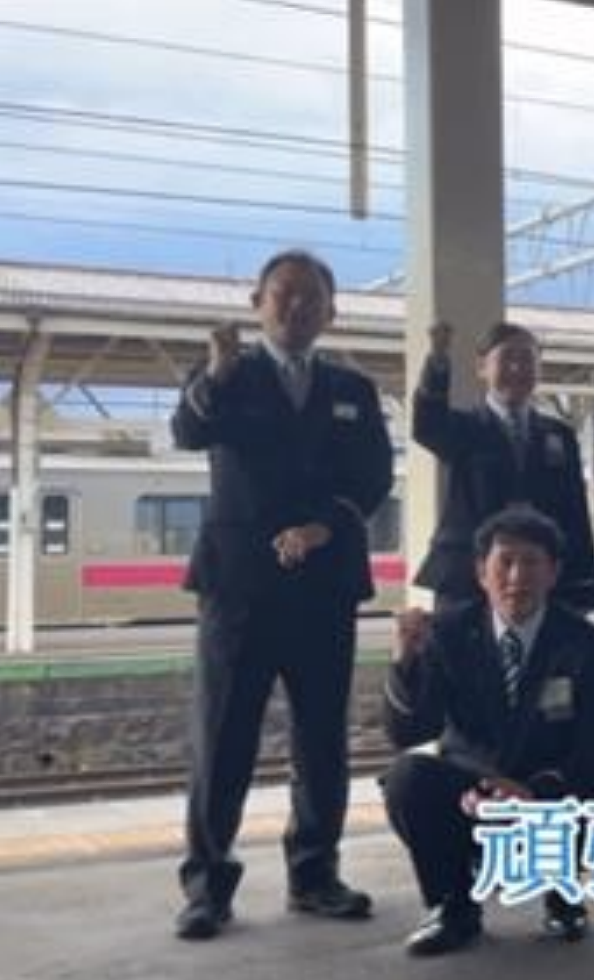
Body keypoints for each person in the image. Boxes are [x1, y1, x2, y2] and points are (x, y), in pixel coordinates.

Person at [170, 248, 393, 940]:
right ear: (257, 303)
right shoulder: (225, 375)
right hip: (239, 589)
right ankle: (207, 887)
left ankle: (316, 874)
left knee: (322, 739)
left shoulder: (353, 388)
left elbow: (373, 476)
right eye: (283, 294)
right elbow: (187, 431)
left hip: (325, 586)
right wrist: (214, 372)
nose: (297, 307)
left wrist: (325, 526)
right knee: (223, 738)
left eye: (311, 297)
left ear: (332, 311)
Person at [382, 506, 594, 956]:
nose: (517, 576)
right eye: (505, 562)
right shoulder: (448, 634)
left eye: (531, 562)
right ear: (480, 572)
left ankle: (563, 893)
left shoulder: (589, 646)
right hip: (476, 785)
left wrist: (536, 789)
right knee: (407, 778)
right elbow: (410, 731)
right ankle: (454, 906)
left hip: (552, 790)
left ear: (553, 572)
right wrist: (404, 662)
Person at [411, 320, 594, 611]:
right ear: (482, 367)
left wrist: (583, 582)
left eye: (527, 359)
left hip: (540, 578)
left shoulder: (559, 435)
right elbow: (427, 424)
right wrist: (437, 363)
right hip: (468, 578)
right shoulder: (464, 428)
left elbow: (575, 509)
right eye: (507, 358)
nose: (517, 368)